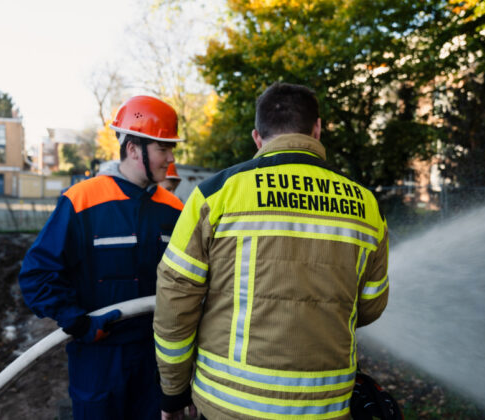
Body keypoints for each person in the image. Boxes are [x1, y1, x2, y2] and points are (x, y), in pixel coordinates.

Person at [153, 82, 389, 420]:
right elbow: (370, 307)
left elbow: (175, 304)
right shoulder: (367, 206)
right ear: (317, 129)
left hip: (229, 405)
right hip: (325, 408)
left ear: (256, 137)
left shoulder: (215, 196)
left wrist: (173, 393)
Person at [19, 95, 184, 419]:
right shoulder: (82, 200)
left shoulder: (175, 209)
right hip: (98, 359)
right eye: (163, 148)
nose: (170, 157)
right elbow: (36, 276)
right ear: (134, 148)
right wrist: (78, 323)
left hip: (157, 360)